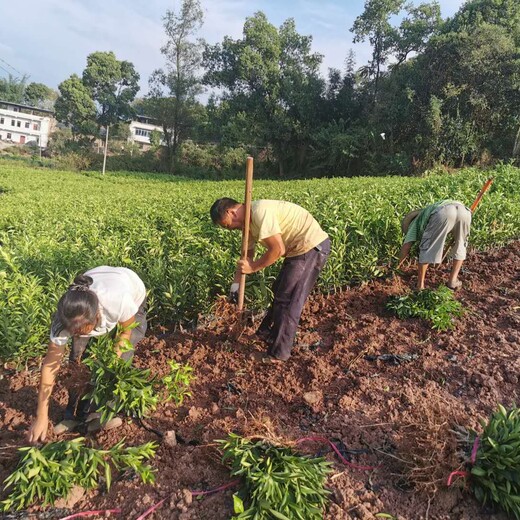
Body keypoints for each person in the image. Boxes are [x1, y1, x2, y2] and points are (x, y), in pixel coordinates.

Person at [27, 266, 147, 443]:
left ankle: (103, 414)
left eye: (83, 331)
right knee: (77, 362)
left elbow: (125, 332)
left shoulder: (118, 301)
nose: (78, 335)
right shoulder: (65, 319)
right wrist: (41, 416)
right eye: (74, 333)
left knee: (118, 362)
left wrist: (112, 360)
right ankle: (73, 414)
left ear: (96, 317)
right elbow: (50, 366)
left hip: (129, 291)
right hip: (93, 293)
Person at [210, 198, 330, 362]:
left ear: (230, 212)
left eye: (226, 225)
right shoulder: (248, 225)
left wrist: (253, 268)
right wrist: (234, 289)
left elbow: (277, 249)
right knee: (278, 292)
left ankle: (279, 354)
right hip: (297, 251)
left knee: (288, 300)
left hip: (310, 247)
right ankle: (265, 334)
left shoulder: (260, 211)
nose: (228, 229)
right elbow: (246, 257)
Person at [399, 200, 472, 290]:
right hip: (464, 211)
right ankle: (452, 281)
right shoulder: (428, 212)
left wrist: (399, 266)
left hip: (444, 212)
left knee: (427, 247)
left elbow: (407, 245)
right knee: (461, 245)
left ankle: (420, 286)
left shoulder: (414, 223)